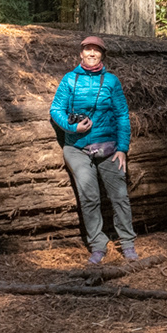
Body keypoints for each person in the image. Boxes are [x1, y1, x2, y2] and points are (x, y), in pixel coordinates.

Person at [49, 34, 137, 265]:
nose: (91, 53)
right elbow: (56, 109)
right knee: (89, 194)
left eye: (96, 50)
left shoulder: (111, 81)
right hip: (76, 148)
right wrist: (72, 127)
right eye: (88, 49)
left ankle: (127, 243)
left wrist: (122, 149)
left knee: (119, 195)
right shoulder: (69, 79)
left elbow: (121, 115)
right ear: (81, 53)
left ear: (102, 55)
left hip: (108, 148)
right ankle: (98, 245)